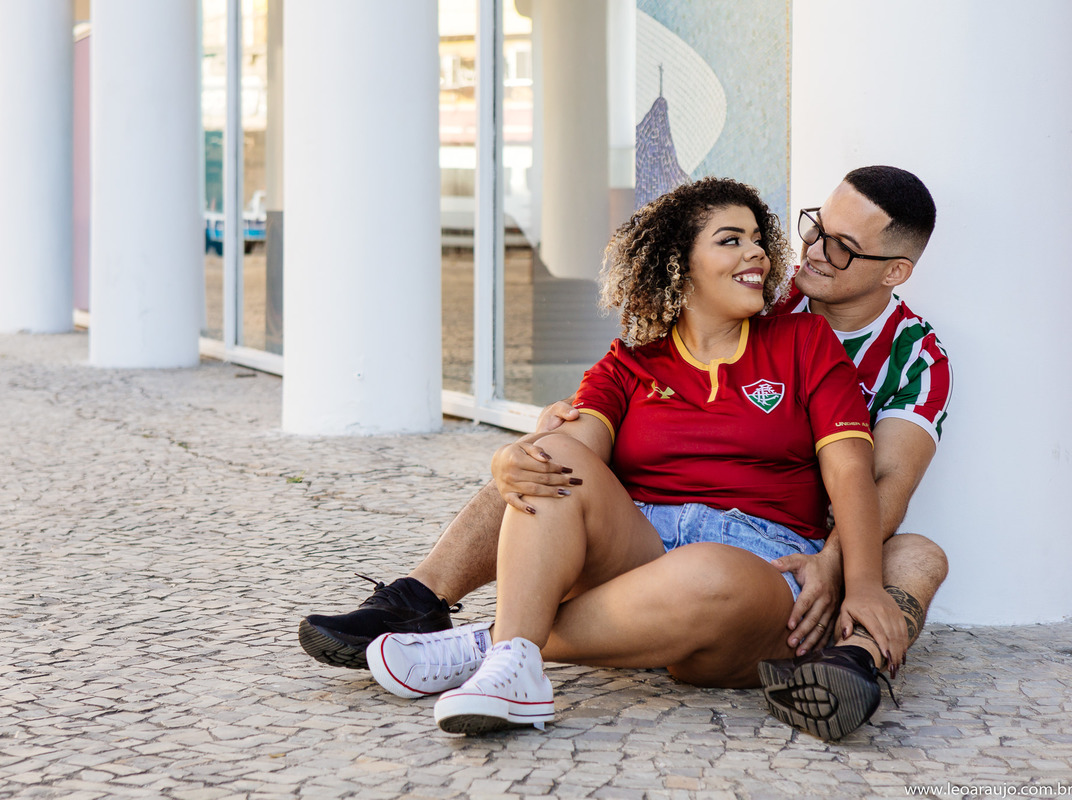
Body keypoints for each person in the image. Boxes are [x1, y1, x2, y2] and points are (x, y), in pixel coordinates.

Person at [299, 166, 952, 740]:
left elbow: (875, 477)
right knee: (549, 461)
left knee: (914, 556)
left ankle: (497, 643)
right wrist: (515, 456)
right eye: (812, 229)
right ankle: (433, 606)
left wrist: (847, 574)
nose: (804, 251)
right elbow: (580, 436)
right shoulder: (751, 306)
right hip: (642, 538)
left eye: (840, 246)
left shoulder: (891, 352)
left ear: (893, 271)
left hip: (770, 553)